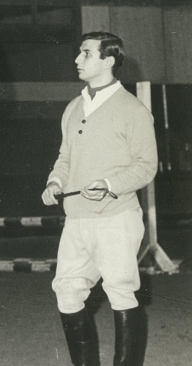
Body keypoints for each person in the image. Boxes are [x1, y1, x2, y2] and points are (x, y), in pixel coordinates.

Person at [40, 32, 156, 366]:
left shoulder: (133, 110)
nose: (77, 60)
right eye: (79, 53)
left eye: (86, 54)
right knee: (66, 291)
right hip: (76, 219)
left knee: (120, 291)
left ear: (108, 60)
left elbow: (147, 166)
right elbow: (65, 156)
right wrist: (55, 181)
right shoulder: (74, 107)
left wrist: (109, 183)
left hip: (116, 216)